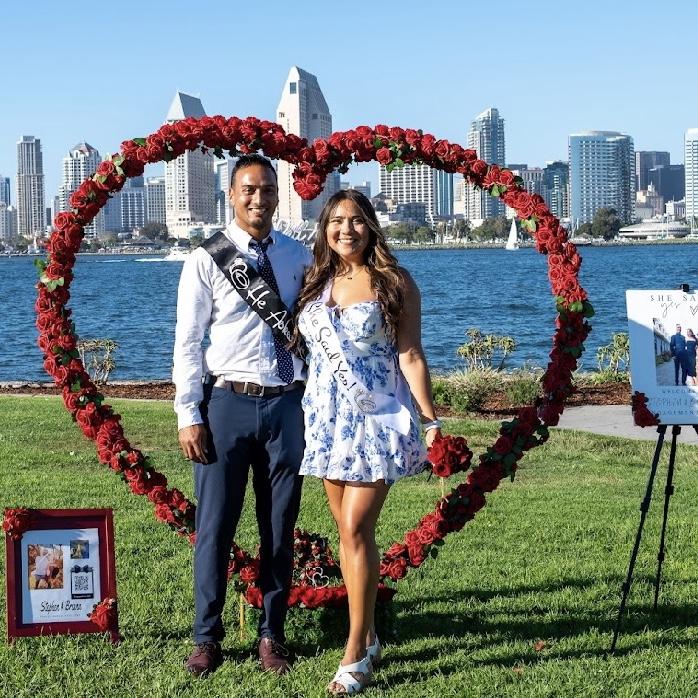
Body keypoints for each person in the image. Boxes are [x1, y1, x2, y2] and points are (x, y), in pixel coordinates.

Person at [292, 189, 442, 694]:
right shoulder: (316, 281)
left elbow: (411, 354)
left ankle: (355, 652)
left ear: (371, 226)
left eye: (356, 220)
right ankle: (371, 633)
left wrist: (430, 421)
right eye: (336, 221)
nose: (346, 230)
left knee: (356, 526)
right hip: (327, 420)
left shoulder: (394, 282)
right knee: (348, 532)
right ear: (325, 229)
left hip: (376, 419)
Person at [173, 154, 311, 677]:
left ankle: (272, 633)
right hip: (225, 403)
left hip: (285, 403)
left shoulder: (298, 256)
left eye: (267, 189)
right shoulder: (206, 258)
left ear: (278, 196)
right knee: (215, 527)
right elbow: (188, 341)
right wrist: (188, 412)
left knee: (279, 525)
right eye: (248, 189)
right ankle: (206, 637)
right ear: (231, 195)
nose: (259, 198)